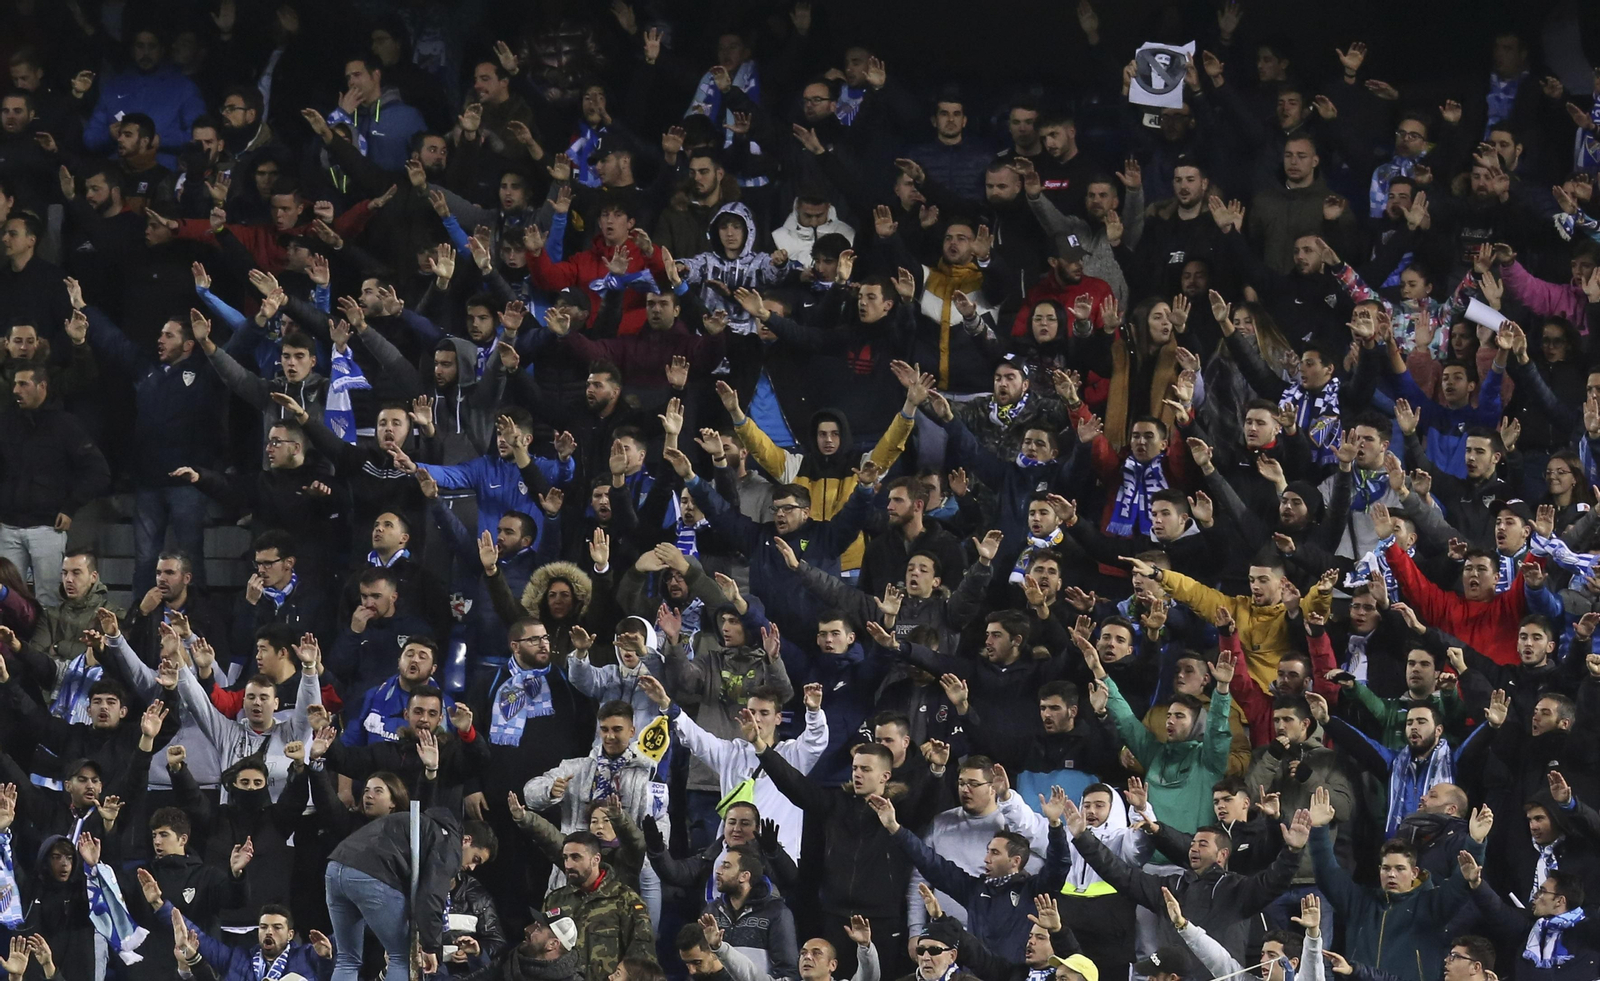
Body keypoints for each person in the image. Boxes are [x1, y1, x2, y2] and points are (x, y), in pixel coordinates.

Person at [326, 807, 497, 981]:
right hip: (372, 875)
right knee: (402, 958)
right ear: (466, 840)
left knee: (347, 959)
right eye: (475, 859)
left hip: (335, 868)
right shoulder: (450, 845)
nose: (472, 867)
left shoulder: (427, 826)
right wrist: (431, 948)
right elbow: (430, 898)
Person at [538, 831, 656, 981]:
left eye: (576, 857)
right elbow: (538, 952)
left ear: (596, 859)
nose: (568, 865)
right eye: (565, 858)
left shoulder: (625, 900)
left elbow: (642, 958)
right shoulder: (555, 900)